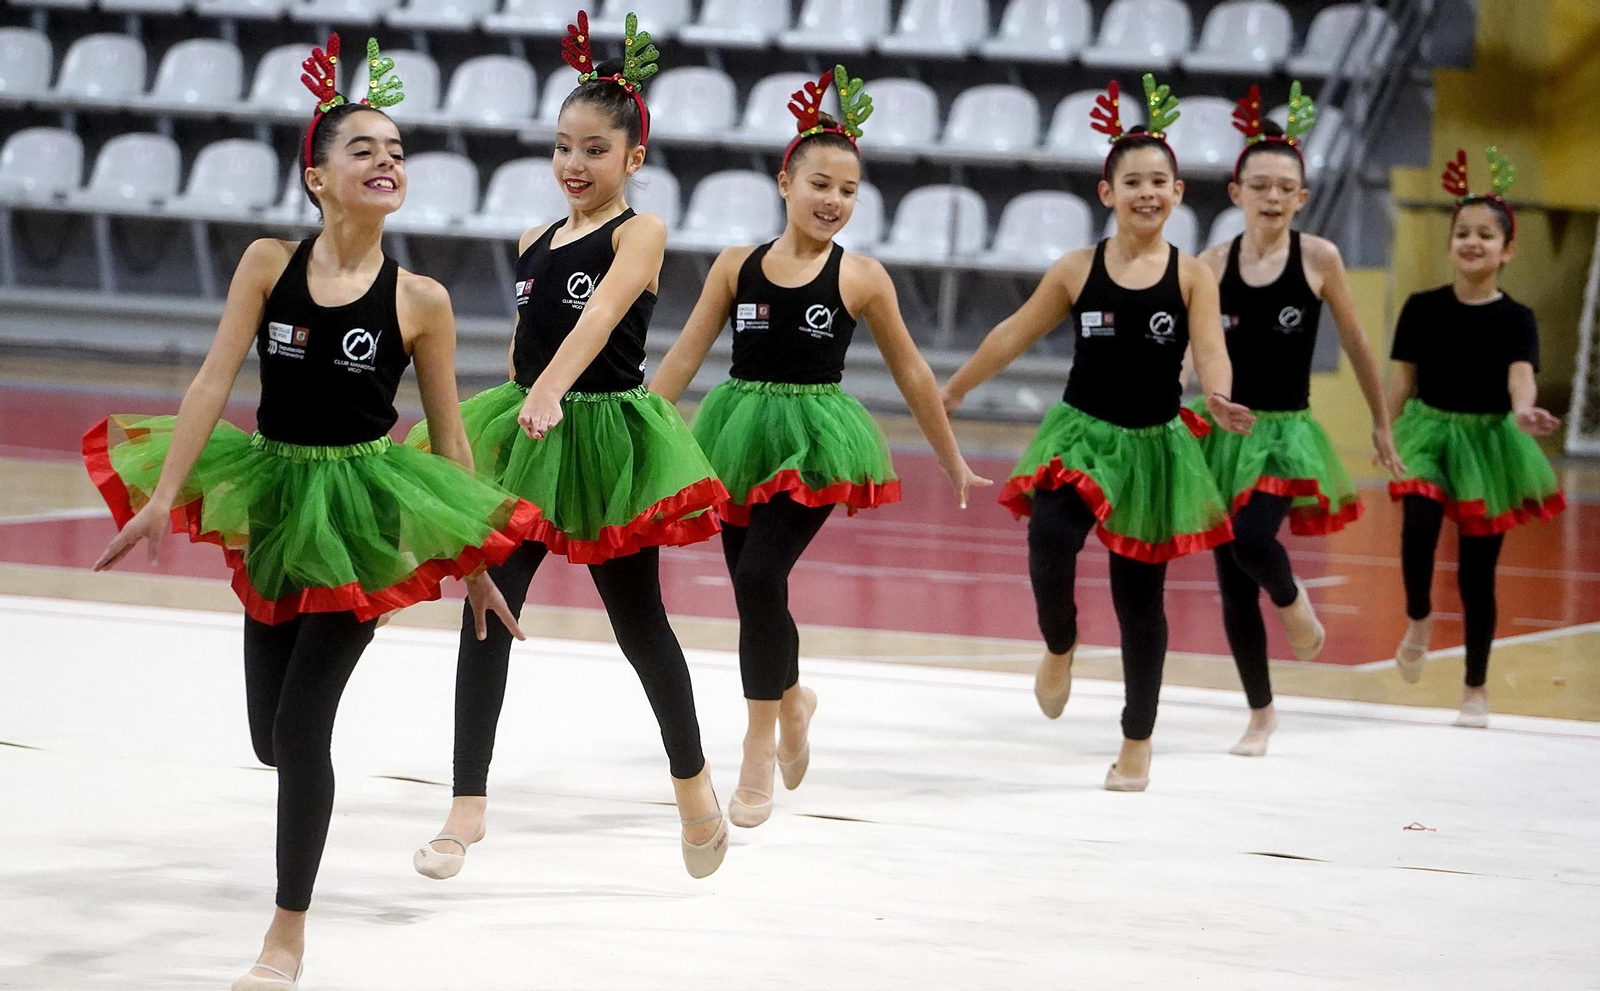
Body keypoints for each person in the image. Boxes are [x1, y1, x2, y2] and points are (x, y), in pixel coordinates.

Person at [82, 35, 530, 990]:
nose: (386, 162)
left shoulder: (422, 300)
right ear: (316, 176)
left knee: (299, 730)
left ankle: (285, 934)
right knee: (266, 734)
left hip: (361, 511)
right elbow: (211, 381)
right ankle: (303, 820)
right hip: (276, 496)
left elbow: (451, 446)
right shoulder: (264, 264)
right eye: (363, 149)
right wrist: (165, 493)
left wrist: (476, 561)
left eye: (397, 151)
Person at [409, 10, 730, 881]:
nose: (574, 166)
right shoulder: (531, 241)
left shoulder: (643, 233)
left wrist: (551, 389)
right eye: (562, 147)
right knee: (489, 607)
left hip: (606, 441)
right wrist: (526, 393)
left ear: (632, 159)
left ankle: (695, 786)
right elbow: (528, 341)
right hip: (529, 436)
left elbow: (600, 316)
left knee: (640, 624)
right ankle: (464, 807)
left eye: (594, 150)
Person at [650, 65, 989, 828]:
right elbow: (682, 356)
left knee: (765, 573)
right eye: (820, 185)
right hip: (736, 432)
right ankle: (794, 696)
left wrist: (949, 454)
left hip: (814, 442)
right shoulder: (736, 265)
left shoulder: (862, 277)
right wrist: (644, 426)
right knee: (752, 591)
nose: (833, 201)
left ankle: (758, 743)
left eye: (848, 190)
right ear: (785, 182)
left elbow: (910, 370)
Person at [943, 75, 1253, 792]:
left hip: (1153, 445)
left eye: (1160, 181)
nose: (1148, 191)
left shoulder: (1193, 276)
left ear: (1178, 193)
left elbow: (1210, 350)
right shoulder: (1077, 269)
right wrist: (956, 387)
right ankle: (1059, 641)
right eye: (1133, 180)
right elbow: (1013, 332)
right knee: (1049, 536)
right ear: (1107, 192)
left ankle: (1136, 739)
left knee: (1139, 597)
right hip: (1082, 432)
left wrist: (1224, 396)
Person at [1189, 82, 1406, 757]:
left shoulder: (1319, 259)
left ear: (1302, 197)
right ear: (1237, 192)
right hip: (1224, 432)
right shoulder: (1210, 264)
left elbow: (1360, 342)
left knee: (1255, 540)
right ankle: (1260, 711)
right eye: (1261, 186)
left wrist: (1380, 422)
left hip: (1284, 432)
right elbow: (1191, 349)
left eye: (1287, 187)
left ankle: (1291, 597)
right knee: (1229, 582)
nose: (1274, 197)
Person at [1386, 146, 1565, 727]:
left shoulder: (1517, 319)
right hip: (1428, 433)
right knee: (1416, 529)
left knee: (1475, 573)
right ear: (1450, 243)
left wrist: (1524, 414)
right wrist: (1384, 429)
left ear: (1507, 249)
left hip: (1487, 443)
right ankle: (1418, 618)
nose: (1471, 242)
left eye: (1486, 235)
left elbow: (1520, 376)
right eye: (1462, 232)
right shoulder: (1421, 308)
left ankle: (1475, 688)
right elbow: (1402, 379)